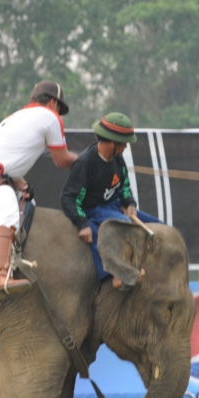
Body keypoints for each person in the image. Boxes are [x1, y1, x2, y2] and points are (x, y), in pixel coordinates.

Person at [0, 80, 79, 300]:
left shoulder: (15, 117)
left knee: (28, 209)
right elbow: (62, 159)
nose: (59, 114)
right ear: (53, 103)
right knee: (8, 215)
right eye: (59, 110)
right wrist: (87, 162)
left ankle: (15, 262)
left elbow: (6, 157)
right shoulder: (50, 117)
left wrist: (19, 182)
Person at [60, 112, 162, 287]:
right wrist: (82, 224)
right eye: (124, 144)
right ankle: (120, 275)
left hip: (113, 205)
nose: (126, 148)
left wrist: (130, 203)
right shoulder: (85, 163)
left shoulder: (118, 158)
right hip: (93, 210)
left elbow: (124, 187)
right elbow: (67, 197)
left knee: (160, 227)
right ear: (113, 142)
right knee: (124, 225)